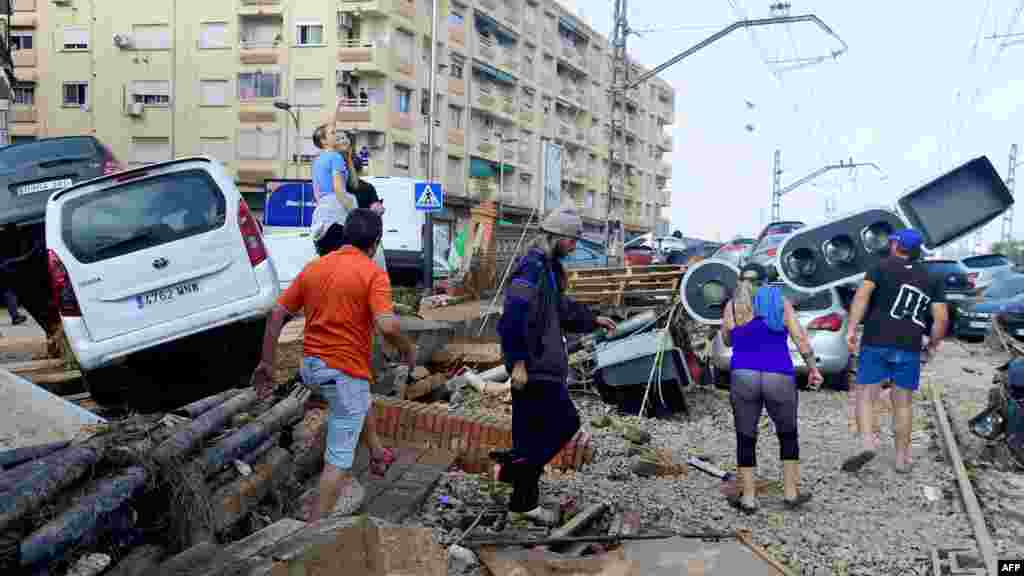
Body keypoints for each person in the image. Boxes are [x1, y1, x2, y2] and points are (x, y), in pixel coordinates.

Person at [250, 209, 415, 520]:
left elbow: (276, 315)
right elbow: (388, 326)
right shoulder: (372, 273)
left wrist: (267, 363)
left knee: (358, 393)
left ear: (345, 236)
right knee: (339, 458)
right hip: (341, 373)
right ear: (376, 243)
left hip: (311, 368)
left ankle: (378, 453)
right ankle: (312, 534)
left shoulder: (315, 267)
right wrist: (408, 350)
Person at [495, 205, 616, 525]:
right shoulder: (531, 269)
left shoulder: (547, 268)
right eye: (572, 240)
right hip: (535, 369)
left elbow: (559, 308)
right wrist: (517, 362)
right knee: (565, 423)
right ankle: (516, 470)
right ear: (556, 237)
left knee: (529, 437)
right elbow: (512, 318)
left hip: (541, 365)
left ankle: (523, 503)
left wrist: (592, 319)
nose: (574, 246)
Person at [720, 262, 822, 513]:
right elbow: (799, 337)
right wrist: (813, 368)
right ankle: (789, 493)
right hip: (778, 373)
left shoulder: (733, 305)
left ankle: (749, 498)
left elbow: (727, 338)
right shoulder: (779, 301)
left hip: (744, 374)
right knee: (788, 434)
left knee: (746, 436)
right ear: (766, 281)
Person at [843, 228, 947, 474]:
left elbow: (861, 297)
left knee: (866, 396)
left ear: (895, 245)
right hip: (909, 346)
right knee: (903, 404)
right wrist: (932, 345)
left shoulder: (879, 267)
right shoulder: (932, 277)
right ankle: (901, 459)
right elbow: (941, 319)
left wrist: (851, 329)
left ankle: (868, 442)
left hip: (876, 340)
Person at [310, 124, 357, 256]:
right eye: (332, 133)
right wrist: (354, 213)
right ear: (324, 141)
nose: (336, 135)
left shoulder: (317, 160)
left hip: (321, 214)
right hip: (337, 213)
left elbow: (316, 192)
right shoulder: (336, 158)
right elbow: (338, 189)